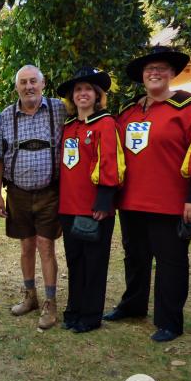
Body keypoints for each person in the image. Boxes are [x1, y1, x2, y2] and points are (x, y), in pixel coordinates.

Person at [103, 45, 191, 342]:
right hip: (131, 201)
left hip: (171, 204)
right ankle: (133, 306)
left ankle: (169, 320)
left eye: (160, 69)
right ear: (142, 77)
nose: (154, 73)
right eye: (149, 70)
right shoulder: (128, 113)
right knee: (135, 257)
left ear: (171, 73)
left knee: (171, 262)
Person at [0, 64, 67, 330]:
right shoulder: (6, 115)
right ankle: (30, 296)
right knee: (26, 246)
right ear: (16, 87)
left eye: (33, 81)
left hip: (49, 191)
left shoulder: (59, 109)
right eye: (23, 82)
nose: (28, 87)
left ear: (43, 83)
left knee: (46, 246)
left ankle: (50, 301)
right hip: (18, 192)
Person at [55, 67, 125, 333]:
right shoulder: (69, 127)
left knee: (94, 263)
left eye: (88, 90)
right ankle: (74, 308)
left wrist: (104, 200)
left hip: (94, 207)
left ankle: (91, 315)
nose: (82, 94)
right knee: (75, 262)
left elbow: (111, 161)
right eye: (78, 90)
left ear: (97, 96)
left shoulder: (106, 124)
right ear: (72, 97)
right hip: (69, 206)